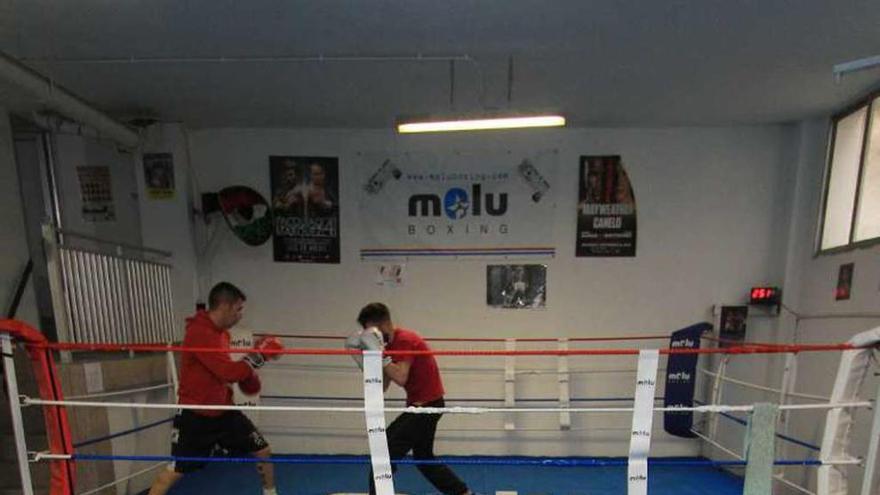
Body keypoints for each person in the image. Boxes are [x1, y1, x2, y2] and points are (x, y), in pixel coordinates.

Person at [148, 282, 283, 495]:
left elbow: (227, 373)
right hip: (196, 415)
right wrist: (259, 354)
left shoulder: (222, 335)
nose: (240, 315)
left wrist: (251, 368)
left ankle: (270, 493)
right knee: (176, 469)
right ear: (225, 306)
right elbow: (228, 372)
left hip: (224, 412)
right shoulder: (199, 333)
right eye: (238, 309)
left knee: (262, 450)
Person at [349, 303, 474, 495]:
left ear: (381, 323)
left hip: (426, 407)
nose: (371, 335)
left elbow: (401, 377)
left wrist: (380, 355)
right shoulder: (388, 345)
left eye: (370, 330)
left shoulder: (406, 339)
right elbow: (382, 386)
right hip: (422, 405)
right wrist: (366, 361)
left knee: (384, 452)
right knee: (424, 458)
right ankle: (463, 493)